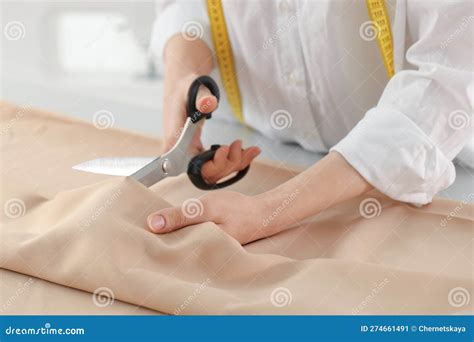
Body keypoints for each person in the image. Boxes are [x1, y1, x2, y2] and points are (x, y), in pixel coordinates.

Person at [146, 0, 473, 244]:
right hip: (266, 140)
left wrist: (267, 212)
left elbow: (444, 87)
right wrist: (184, 73)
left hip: (445, 168)